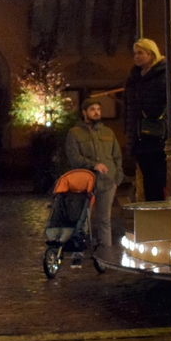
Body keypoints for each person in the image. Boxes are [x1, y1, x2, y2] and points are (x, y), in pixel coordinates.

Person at [124, 38, 171, 202]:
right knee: (148, 183)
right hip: (140, 138)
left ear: (150, 54)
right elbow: (129, 109)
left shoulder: (164, 75)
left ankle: (164, 218)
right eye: (135, 53)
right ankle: (154, 218)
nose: (136, 57)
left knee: (161, 181)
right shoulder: (134, 78)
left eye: (140, 53)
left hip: (158, 138)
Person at [64, 98, 123, 266]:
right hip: (85, 183)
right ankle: (78, 253)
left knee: (105, 219)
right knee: (83, 219)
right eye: (92, 109)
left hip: (107, 183)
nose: (97, 112)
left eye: (98, 109)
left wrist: (117, 178)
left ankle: (105, 257)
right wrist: (93, 165)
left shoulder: (108, 132)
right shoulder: (75, 133)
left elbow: (117, 156)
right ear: (84, 112)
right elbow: (74, 157)